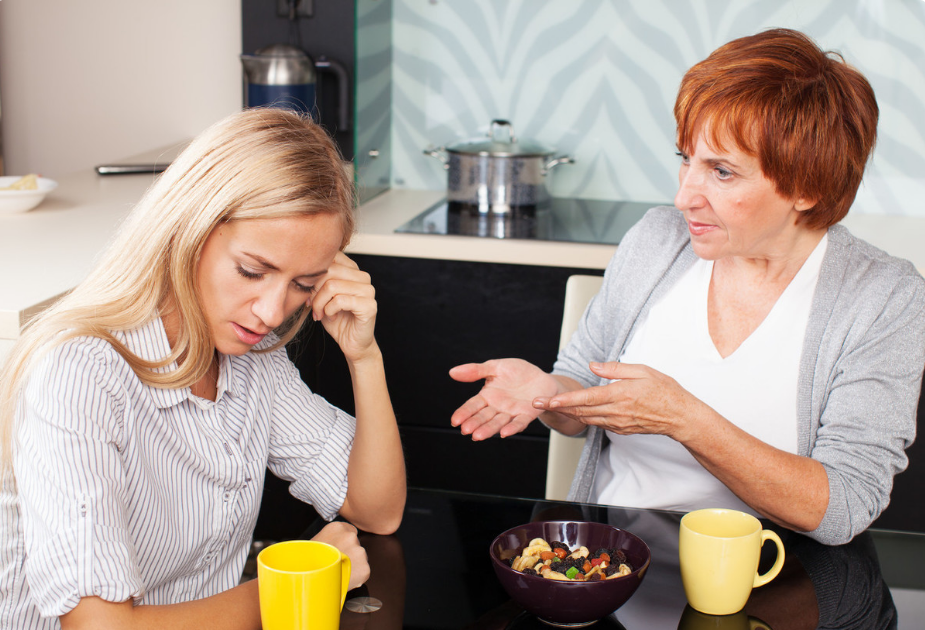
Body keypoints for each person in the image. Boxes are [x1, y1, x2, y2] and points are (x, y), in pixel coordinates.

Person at [449, 28, 925, 546]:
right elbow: (579, 392)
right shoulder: (656, 240)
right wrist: (550, 394)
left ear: (808, 186)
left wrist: (685, 419)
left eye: (721, 171)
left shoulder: (883, 298)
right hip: (612, 567)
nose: (683, 197)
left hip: (777, 585)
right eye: (686, 158)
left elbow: (844, 506)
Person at [0, 108, 406, 629]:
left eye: (304, 285)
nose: (272, 311)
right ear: (187, 230)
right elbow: (100, 627)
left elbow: (376, 509)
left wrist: (364, 357)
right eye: (252, 271)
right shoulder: (80, 372)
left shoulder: (253, 358)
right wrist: (304, 580)